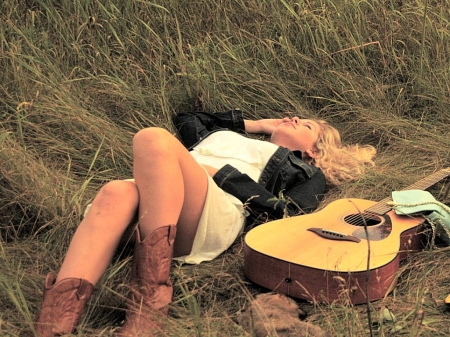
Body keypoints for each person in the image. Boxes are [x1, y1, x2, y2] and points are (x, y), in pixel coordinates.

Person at [32, 109, 376, 336]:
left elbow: (289, 213)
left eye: (305, 125)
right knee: (114, 193)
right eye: (292, 116)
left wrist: (219, 173)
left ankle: (148, 306)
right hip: (158, 200)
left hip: (211, 210)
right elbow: (189, 117)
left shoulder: (304, 170)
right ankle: (53, 325)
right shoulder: (232, 137)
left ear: (314, 150)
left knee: (152, 138)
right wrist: (259, 126)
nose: (293, 118)